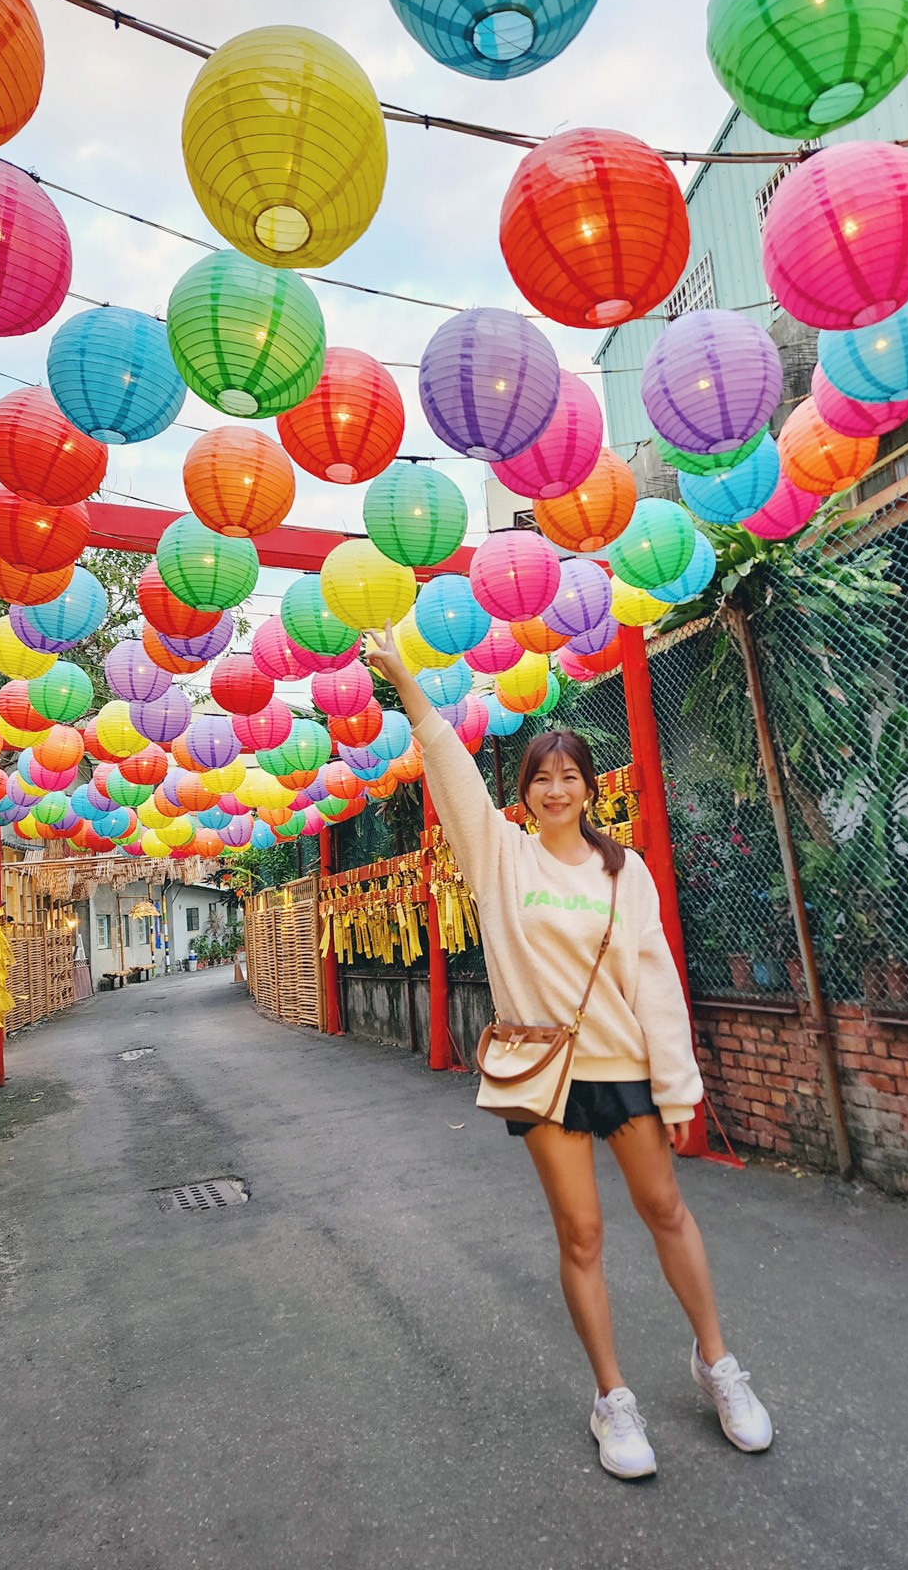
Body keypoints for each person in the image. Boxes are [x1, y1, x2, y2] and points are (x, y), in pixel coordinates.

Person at [367, 621, 773, 1481]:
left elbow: (658, 981)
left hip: (623, 1067)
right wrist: (404, 676)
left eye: (570, 777)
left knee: (666, 1211)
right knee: (580, 1232)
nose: (557, 789)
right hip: (540, 1072)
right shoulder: (500, 857)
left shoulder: (625, 874)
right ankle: (612, 1398)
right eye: (541, 779)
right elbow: (445, 759)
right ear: (523, 796)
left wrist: (677, 1084)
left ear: (591, 789)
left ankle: (716, 1363)